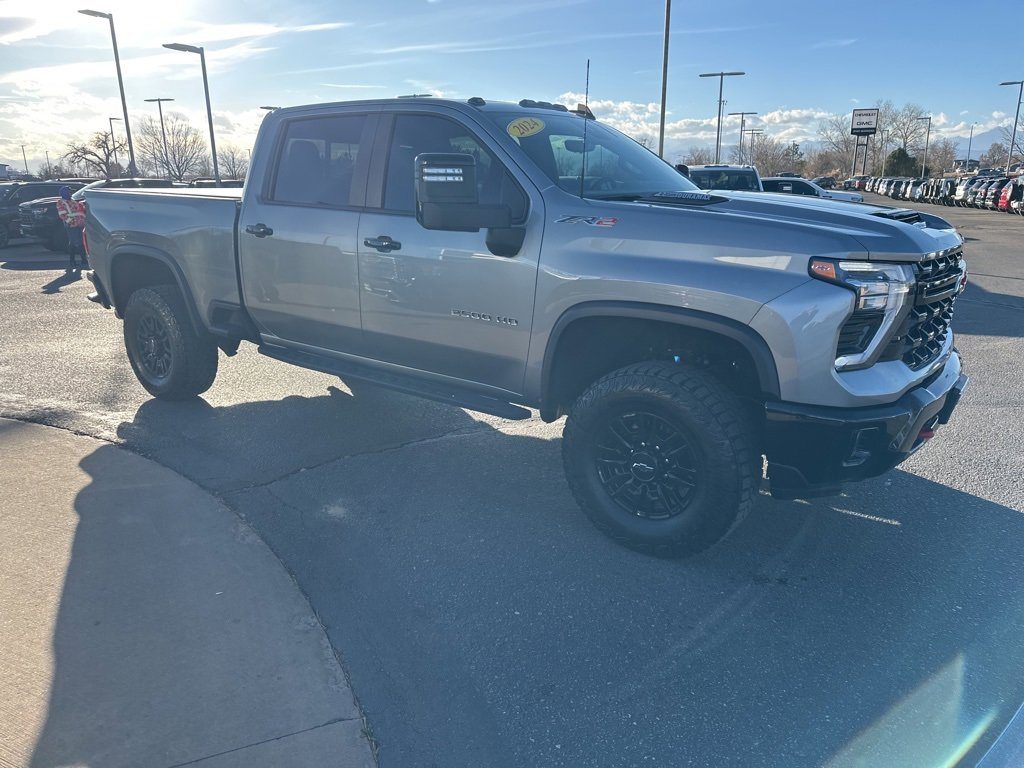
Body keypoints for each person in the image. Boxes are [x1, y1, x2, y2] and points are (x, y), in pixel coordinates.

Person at [55, 186, 87, 271]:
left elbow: (78, 211)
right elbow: (62, 215)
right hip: (71, 224)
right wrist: (71, 222)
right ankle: (75, 261)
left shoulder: (72, 201)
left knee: (79, 241)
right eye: (68, 192)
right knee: (75, 242)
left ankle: (81, 260)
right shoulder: (60, 202)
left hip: (79, 223)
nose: (70, 193)